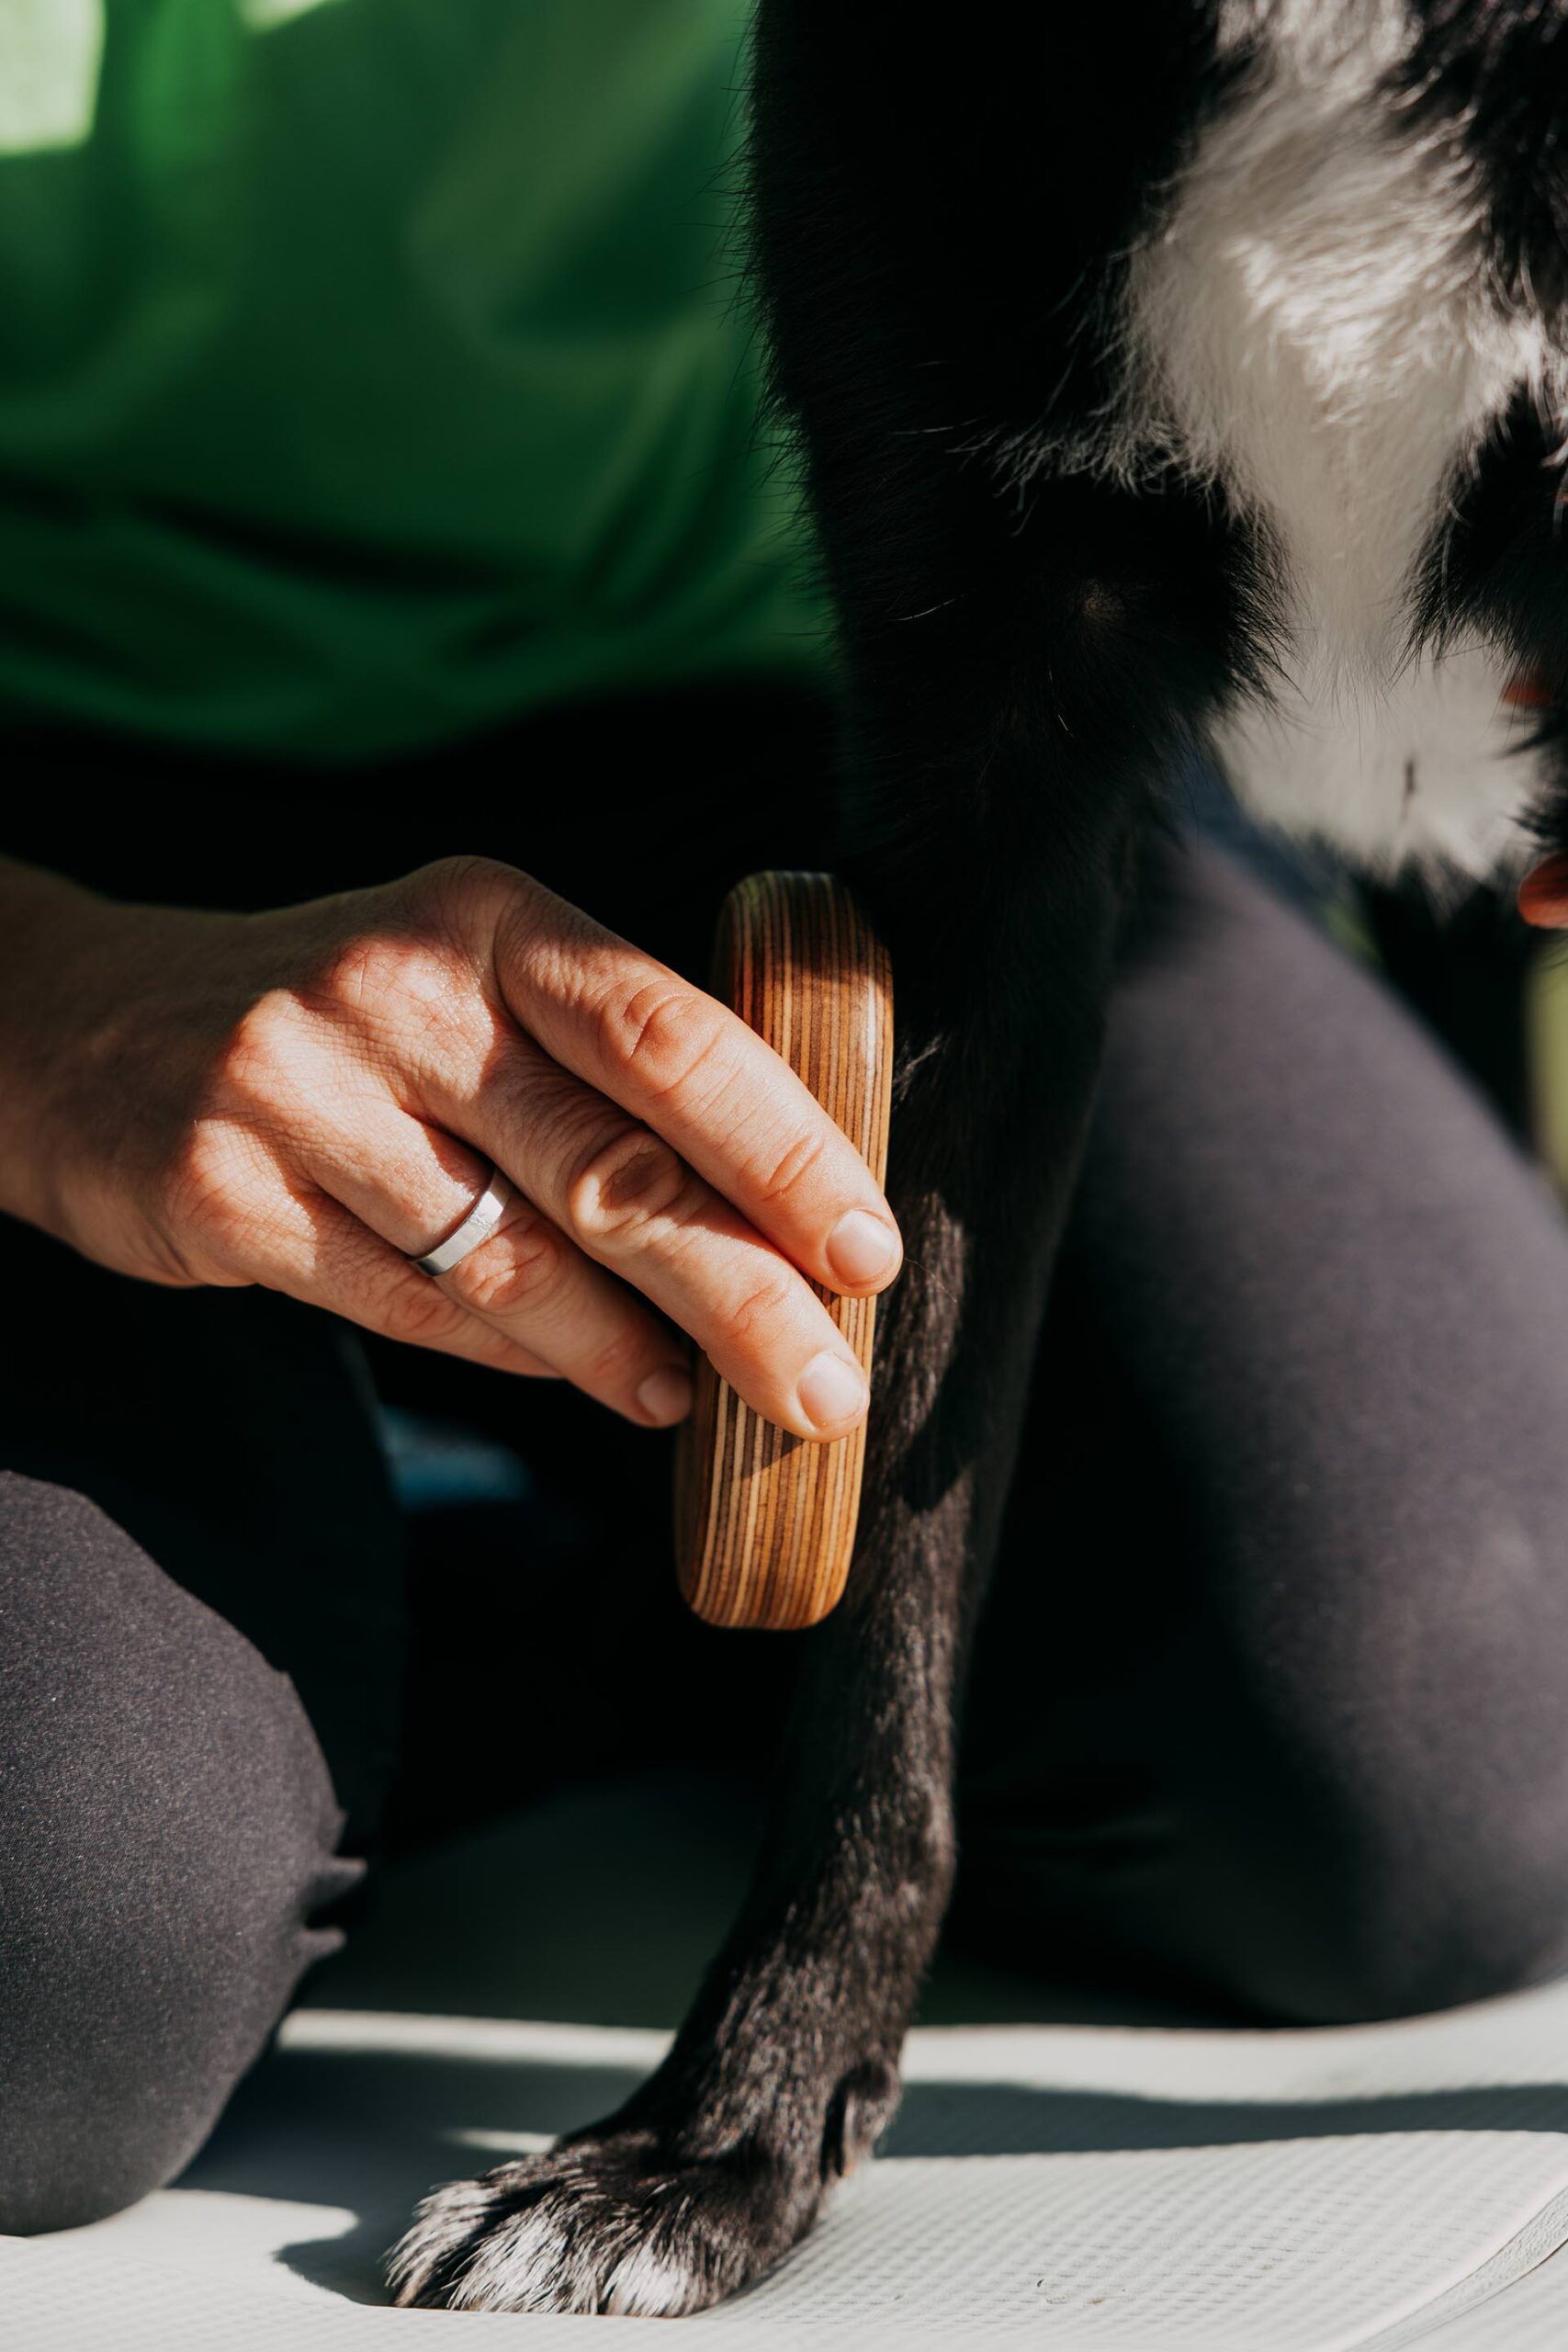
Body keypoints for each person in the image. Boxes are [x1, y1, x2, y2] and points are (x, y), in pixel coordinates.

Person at [6, 0, 1568, 2244]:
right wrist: (48, 1017)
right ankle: (380, 1551)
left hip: (801, 702)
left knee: (1422, 1763)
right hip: (39, 832)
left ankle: (524, 1574)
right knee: (48, 1961)